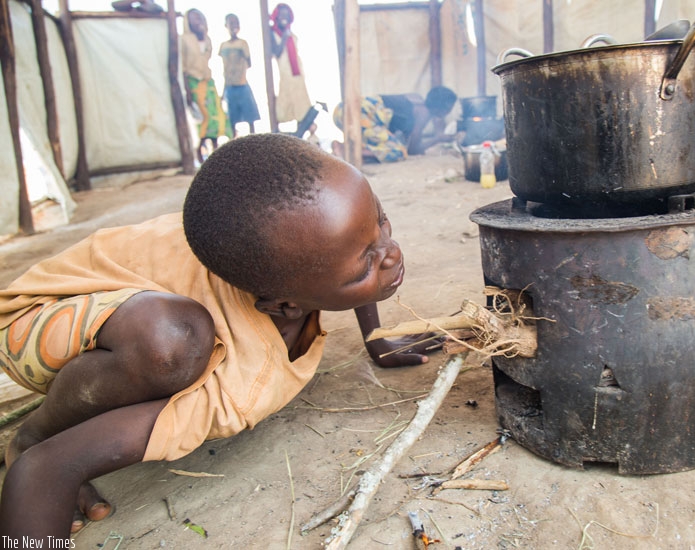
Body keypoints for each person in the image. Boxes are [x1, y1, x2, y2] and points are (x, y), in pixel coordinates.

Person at [0, 134, 435, 538]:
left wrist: (377, 339)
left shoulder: (302, 256)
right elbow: (41, 472)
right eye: (364, 265)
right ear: (285, 306)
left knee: (170, 327)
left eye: (380, 219)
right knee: (170, 342)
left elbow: (348, 244)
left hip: (120, 297)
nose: (391, 253)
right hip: (33, 320)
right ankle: (35, 430)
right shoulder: (238, 385)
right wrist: (46, 463)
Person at [332, 86, 459, 162]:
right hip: (360, 113)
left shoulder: (416, 99)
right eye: (449, 108)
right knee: (398, 151)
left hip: (343, 109)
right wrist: (438, 139)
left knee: (383, 143)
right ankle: (346, 149)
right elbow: (412, 150)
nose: (449, 111)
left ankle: (351, 149)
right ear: (442, 107)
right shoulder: (423, 113)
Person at [181, 8, 232, 163]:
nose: (198, 21)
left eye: (199, 18)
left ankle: (216, 154)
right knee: (201, 119)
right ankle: (199, 154)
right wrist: (188, 91)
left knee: (214, 117)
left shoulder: (207, 39)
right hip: (193, 82)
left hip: (207, 82)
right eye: (193, 19)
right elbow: (182, 67)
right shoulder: (184, 39)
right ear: (187, 22)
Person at [269, 3, 319, 138]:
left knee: (301, 107)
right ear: (276, 17)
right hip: (285, 74)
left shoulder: (291, 34)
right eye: (281, 15)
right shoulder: (274, 34)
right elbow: (276, 52)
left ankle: (303, 132)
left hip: (297, 74)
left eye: (287, 15)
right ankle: (282, 135)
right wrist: (284, 37)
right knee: (283, 107)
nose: (284, 18)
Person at [219, 13, 261, 136]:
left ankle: (253, 140)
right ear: (226, 25)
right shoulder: (223, 46)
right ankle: (233, 141)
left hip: (242, 83)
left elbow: (249, 63)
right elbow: (224, 67)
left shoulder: (243, 43)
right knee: (232, 118)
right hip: (229, 85)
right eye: (231, 23)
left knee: (250, 116)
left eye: (236, 23)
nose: (234, 26)